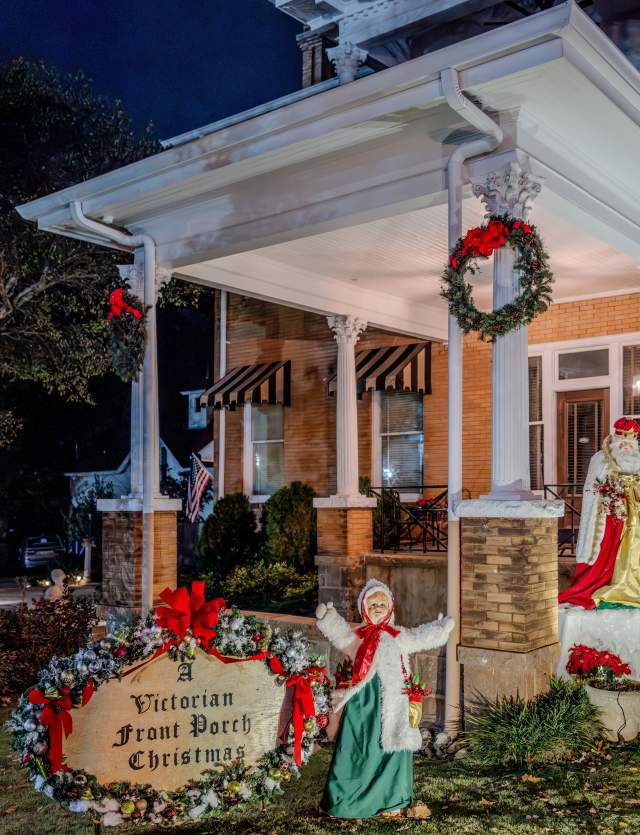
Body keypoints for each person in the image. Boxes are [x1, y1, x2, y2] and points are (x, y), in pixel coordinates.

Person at [315, 578, 454, 819]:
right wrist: (328, 618)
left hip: (394, 700)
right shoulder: (357, 636)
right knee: (359, 745)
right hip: (363, 700)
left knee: (394, 746)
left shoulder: (399, 635)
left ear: (390, 606)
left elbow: (421, 636)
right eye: (372, 603)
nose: (378, 606)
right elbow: (340, 635)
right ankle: (346, 801)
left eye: (382, 602)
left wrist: (441, 628)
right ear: (363, 609)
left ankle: (392, 801)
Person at [559, 417, 640, 609]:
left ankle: (631, 584)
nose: (627, 447)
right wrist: (610, 497)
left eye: (631, 443)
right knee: (609, 550)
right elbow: (592, 490)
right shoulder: (601, 459)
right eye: (624, 442)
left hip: (634, 516)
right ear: (616, 439)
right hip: (611, 516)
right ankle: (607, 584)